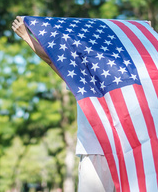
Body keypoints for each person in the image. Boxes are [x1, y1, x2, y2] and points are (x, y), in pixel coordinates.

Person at [12, 16, 115, 192]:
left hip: (96, 149)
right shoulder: (122, 74)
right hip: (122, 149)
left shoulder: (84, 75)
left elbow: (51, 60)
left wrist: (26, 36)